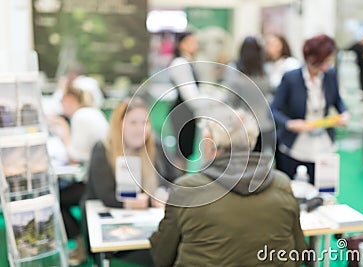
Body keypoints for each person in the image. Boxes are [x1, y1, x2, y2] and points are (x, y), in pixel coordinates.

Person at [150, 107, 307, 266]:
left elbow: (162, 257)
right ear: (251, 142)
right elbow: (300, 252)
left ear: (209, 144)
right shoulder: (281, 183)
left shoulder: (188, 189)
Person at [81, 98, 167, 266]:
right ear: (119, 124)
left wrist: (161, 194)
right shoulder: (103, 149)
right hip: (106, 219)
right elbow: (106, 195)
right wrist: (132, 204)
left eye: (144, 122)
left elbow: (173, 179)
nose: (140, 129)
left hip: (148, 219)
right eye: (133, 122)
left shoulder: (155, 146)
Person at [271, 34, 349, 184]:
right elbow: (273, 110)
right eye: (325, 60)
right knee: (292, 190)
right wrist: (290, 124)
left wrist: (344, 113)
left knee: (325, 189)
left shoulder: (330, 75)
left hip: (324, 143)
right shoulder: (291, 78)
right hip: (295, 144)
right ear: (312, 58)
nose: (328, 64)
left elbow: (337, 100)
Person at [47, 82, 109, 265]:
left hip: (94, 184)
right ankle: (79, 242)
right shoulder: (90, 113)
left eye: (63, 100)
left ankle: (79, 243)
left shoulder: (81, 116)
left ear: (71, 99)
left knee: (54, 200)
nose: (61, 105)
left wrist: (63, 130)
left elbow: (74, 157)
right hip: (96, 179)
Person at [223, 36, 274, 152]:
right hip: (265, 124)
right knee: (260, 162)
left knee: (243, 163)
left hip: (243, 125)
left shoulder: (234, 71)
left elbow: (231, 99)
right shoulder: (266, 70)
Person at [169, 32, 203, 169]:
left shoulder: (189, 62)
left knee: (186, 151)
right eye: (190, 42)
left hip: (188, 113)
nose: (194, 45)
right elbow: (190, 95)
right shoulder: (180, 63)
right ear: (181, 44)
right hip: (182, 113)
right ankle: (178, 183)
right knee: (181, 152)